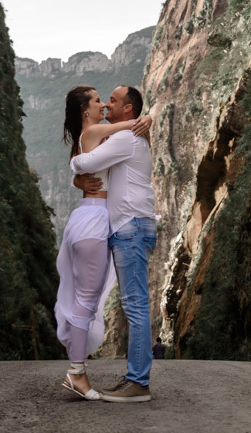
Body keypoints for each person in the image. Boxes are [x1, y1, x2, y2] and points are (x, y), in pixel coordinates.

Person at [55, 85, 152, 401]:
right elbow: (86, 159)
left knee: (88, 297)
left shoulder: (97, 135)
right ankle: (77, 373)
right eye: (99, 101)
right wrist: (144, 119)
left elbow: (84, 161)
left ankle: (77, 371)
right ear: (86, 110)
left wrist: (77, 178)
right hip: (95, 220)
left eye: (110, 100)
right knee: (87, 298)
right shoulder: (102, 131)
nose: (105, 104)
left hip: (93, 217)